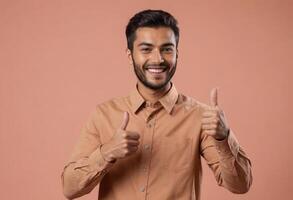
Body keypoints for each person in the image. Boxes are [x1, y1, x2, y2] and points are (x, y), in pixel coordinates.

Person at [61, 9, 252, 200]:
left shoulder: (201, 116)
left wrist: (223, 138)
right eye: (146, 49)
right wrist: (106, 153)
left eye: (167, 49)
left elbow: (240, 185)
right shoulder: (104, 114)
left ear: (177, 53)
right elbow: (69, 188)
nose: (158, 59)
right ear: (130, 56)